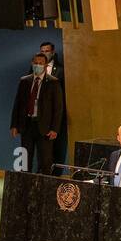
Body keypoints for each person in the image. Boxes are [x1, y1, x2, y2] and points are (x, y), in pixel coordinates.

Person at [8, 53, 64, 174]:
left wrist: (55, 128)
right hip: (26, 125)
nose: (38, 65)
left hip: (45, 128)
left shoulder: (53, 82)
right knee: (25, 159)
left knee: (45, 161)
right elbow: (17, 104)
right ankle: (25, 185)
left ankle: (44, 188)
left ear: (45, 65)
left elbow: (58, 108)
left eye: (40, 63)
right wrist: (14, 125)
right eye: (36, 63)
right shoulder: (24, 81)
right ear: (32, 64)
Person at [38, 40, 69, 169]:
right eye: (42, 51)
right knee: (41, 148)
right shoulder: (36, 68)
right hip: (39, 115)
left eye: (47, 51)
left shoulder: (61, 70)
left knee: (56, 147)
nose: (45, 53)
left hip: (55, 114)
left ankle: (54, 173)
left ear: (53, 52)